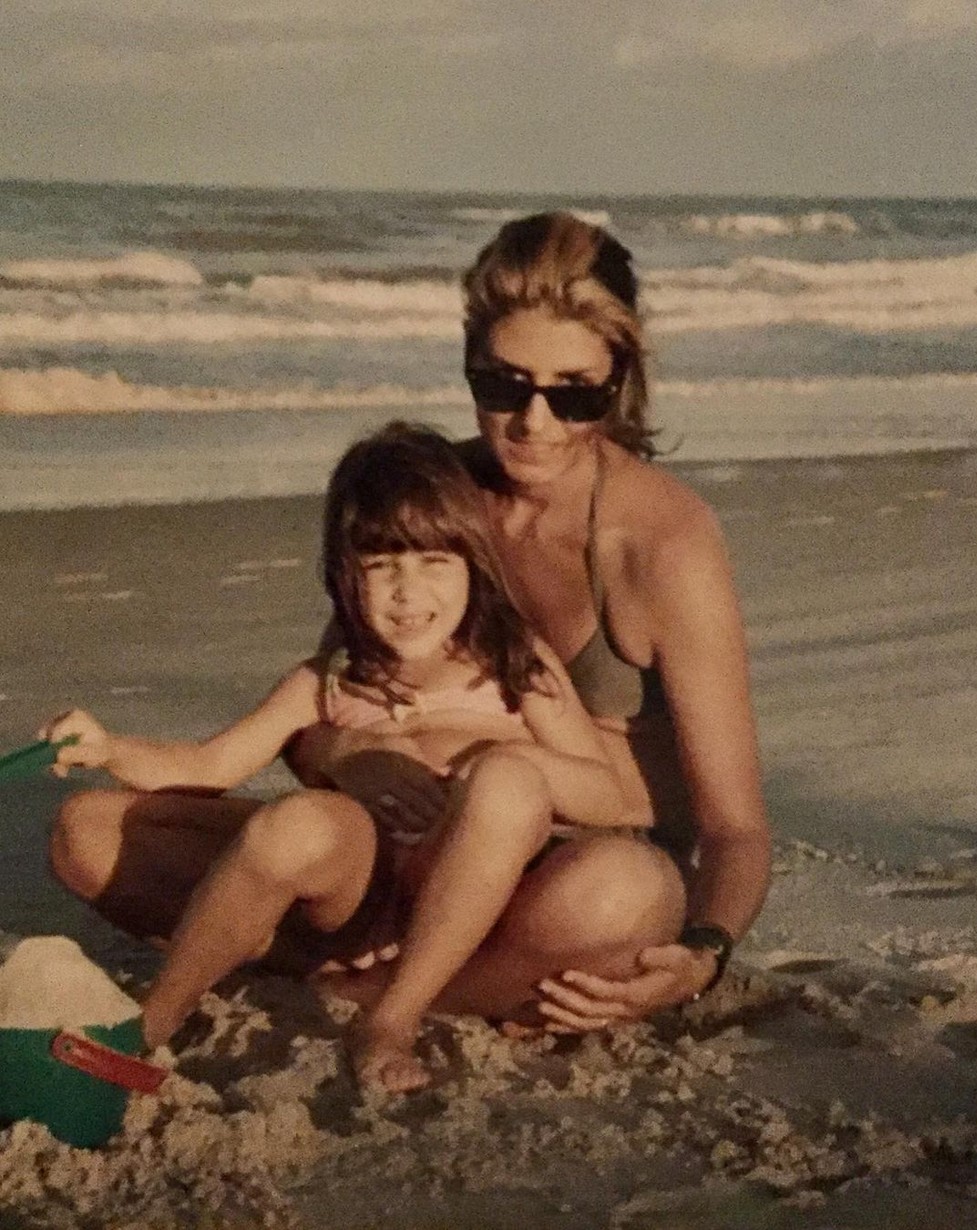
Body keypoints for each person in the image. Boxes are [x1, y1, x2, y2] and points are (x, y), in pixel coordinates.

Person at [41, 423, 642, 1092]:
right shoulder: (329, 680)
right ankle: (151, 1026)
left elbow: (610, 797)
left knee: (509, 784)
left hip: (470, 889)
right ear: (343, 572)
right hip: (355, 901)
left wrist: (496, 761)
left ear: (474, 564)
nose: (408, 594)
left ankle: (391, 1017)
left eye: (434, 562)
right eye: (381, 565)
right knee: (163, 825)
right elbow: (208, 765)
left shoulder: (514, 665)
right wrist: (108, 747)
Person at [289, 211, 771, 1030]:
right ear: (470, 366)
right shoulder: (435, 501)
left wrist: (700, 958)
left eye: (573, 394)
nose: (532, 423)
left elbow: (736, 828)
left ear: (620, 381)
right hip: (410, 853)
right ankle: (442, 975)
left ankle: (366, 991)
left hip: (568, 877)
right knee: (91, 839)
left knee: (619, 900)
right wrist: (351, 754)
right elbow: (318, 710)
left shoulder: (662, 542)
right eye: (503, 386)